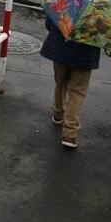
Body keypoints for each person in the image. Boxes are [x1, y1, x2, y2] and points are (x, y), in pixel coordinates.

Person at [40, 14, 100, 149]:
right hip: (86, 52)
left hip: (61, 46)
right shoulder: (102, 8)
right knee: (77, 91)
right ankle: (70, 133)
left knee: (60, 82)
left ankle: (58, 112)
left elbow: (50, 21)